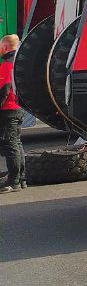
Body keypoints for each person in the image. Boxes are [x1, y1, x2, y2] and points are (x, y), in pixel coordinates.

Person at [0, 34, 25, 193]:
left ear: (5, 47)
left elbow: (4, 89)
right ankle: (21, 178)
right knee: (17, 143)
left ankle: (13, 181)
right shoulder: (21, 62)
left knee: (10, 145)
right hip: (19, 108)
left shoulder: (7, 65)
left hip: (8, 110)